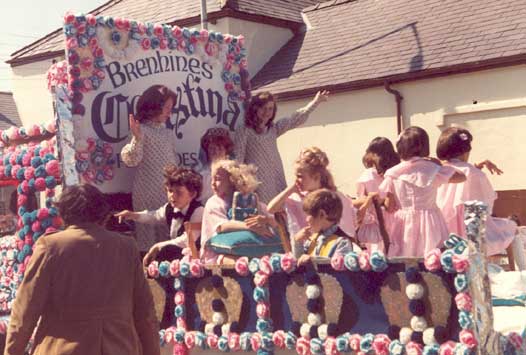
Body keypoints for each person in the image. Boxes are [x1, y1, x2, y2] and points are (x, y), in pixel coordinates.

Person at [4, 184, 159, 355]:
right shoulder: (126, 247)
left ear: (63, 213)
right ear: (103, 213)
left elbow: (25, 312)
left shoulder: (51, 247)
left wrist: (12, 351)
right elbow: (145, 314)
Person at [436, 127, 523, 262]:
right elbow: (486, 205)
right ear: (466, 151)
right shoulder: (474, 174)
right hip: (472, 232)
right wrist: (475, 169)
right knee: (511, 228)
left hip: (443, 231)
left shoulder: (437, 171)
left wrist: (475, 166)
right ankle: (518, 270)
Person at [378, 126, 465, 257]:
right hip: (430, 220)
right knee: (433, 256)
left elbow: (389, 206)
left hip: (403, 223)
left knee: (405, 256)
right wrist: (439, 163)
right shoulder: (432, 168)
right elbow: (461, 176)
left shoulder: (392, 173)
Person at [233, 90, 329, 203]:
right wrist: (243, 184)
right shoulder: (244, 129)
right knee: (264, 213)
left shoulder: (273, 129)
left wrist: (315, 102)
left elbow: (295, 119)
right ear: (255, 108)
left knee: (282, 211)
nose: (266, 112)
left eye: (270, 109)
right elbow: (238, 160)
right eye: (263, 108)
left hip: (276, 178)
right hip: (258, 183)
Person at [267, 147, 357, 258]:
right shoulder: (296, 198)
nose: (296, 180)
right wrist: (290, 189)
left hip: (333, 249)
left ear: (316, 177)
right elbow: (271, 209)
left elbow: (347, 231)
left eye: (300, 176)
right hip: (302, 250)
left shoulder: (334, 197)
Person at [120, 84, 178, 254]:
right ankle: (148, 272)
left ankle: (169, 271)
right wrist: (137, 138)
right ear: (154, 106)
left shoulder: (167, 133)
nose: (169, 112)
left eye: (171, 108)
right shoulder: (140, 130)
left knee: (169, 235)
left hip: (168, 193)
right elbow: (131, 160)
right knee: (147, 237)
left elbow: (173, 161)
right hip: (147, 193)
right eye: (166, 108)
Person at [115, 165, 204, 266]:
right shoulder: (170, 208)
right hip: (179, 256)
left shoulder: (198, 211)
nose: (172, 196)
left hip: (197, 257)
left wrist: (158, 246)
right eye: (170, 191)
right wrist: (133, 215)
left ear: (192, 194)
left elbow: (186, 241)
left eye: (178, 192)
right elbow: (154, 216)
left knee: (164, 251)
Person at [201, 160, 280, 264]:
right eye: (212, 179)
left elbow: (273, 219)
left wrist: (266, 220)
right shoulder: (214, 202)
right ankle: (249, 266)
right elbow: (222, 227)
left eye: (218, 179)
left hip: (247, 248)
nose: (212, 183)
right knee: (240, 262)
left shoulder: (246, 198)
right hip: (218, 251)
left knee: (269, 258)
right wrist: (250, 226)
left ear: (232, 181)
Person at [355, 137, 400, 252]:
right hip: (397, 220)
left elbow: (360, 201)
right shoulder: (397, 172)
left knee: (378, 257)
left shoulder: (366, 177)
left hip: (379, 223)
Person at [296, 189, 358, 266]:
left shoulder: (341, 242)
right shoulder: (311, 240)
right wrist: (298, 242)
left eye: (308, 215)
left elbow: (340, 270)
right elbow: (297, 266)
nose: (306, 219)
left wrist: (313, 260)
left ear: (322, 214)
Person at [198, 127, 234, 202]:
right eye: (212, 148)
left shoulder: (234, 173)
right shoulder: (202, 175)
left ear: (226, 151)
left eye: (220, 148)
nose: (216, 152)